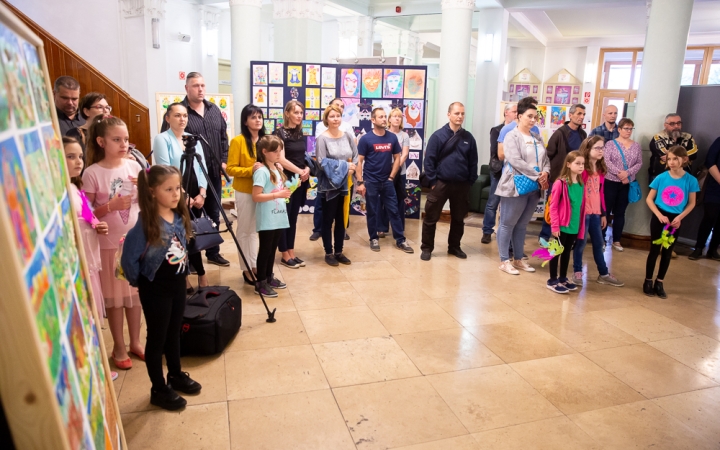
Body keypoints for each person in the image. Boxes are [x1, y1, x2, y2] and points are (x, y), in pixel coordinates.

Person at [121, 165, 202, 411]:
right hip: (155, 288)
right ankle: (158, 388)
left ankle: (175, 374)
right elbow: (129, 259)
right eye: (169, 189)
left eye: (177, 188)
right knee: (157, 338)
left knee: (174, 331)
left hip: (177, 284)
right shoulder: (146, 223)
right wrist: (142, 282)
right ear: (153, 192)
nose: (176, 193)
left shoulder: (178, 216)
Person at [82, 116, 143, 370]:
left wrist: (145, 190)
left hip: (135, 241)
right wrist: (110, 206)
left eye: (126, 139)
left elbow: (142, 202)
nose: (124, 144)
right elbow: (85, 212)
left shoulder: (134, 167)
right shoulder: (92, 172)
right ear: (101, 141)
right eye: (117, 139)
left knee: (136, 296)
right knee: (116, 300)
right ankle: (118, 346)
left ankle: (136, 341)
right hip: (109, 246)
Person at [152, 102, 209, 292]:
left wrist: (202, 193)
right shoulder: (162, 139)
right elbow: (164, 169)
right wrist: (182, 197)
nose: (182, 119)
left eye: (185, 115)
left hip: (195, 191)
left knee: (195, 235)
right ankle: (185, 276)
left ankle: (201, 273)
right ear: (168, 118)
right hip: (174, 194)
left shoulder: (193, 139)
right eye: (177, 115)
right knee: (181, 237)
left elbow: (202, 168)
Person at [495, 102, 550, 275]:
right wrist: (536, 175)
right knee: (507, 224)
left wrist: (546, 173)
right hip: (516, 185)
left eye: (535, 117)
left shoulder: (537, 137)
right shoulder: (512, 136)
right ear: (519, 116)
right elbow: (514, 160)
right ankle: (504, 260)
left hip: (535, 187)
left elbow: (546, 160)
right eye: (529, 116)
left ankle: (518, 259)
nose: (533, 120)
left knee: (522, 225)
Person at [181, 72, 230, 267]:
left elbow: (223, 138)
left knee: (213, 213)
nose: (200, 89)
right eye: (195, 85)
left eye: (202, 85)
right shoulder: (179, 112)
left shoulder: (214, 110)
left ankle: (213, 252)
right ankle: (192, 258)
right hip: (190, 176)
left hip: (214, 172)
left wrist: (224, 161)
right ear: (186, 88)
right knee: (191, 215)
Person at [420, 102, 478, 261]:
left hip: (462, 185)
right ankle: (426, 248)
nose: (460, 116)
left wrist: (470, 182)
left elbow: (473, 162)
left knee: (459, 219)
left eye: (462, 114)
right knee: (431, 217)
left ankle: (454, 247)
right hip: (441, 183)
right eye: (457, 113)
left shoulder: (468, 138)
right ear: (449, 115)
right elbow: (429, 161)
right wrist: (433, 182)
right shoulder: (438, 136)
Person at [644, 146, 700, 299]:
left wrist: (680, 218)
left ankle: (659, 282)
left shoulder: (691, 180)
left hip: (675, 219)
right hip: (660, 216)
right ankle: (648, 280)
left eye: (675, 158)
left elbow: (692, 203)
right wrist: (658, 215)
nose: (672, 162)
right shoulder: (661, 177)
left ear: (684, 159)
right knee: (654, 249)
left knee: (667, 252)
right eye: (669, 159)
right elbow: (649, 199)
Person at [356, 108, 414, 254]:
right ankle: (373, 238)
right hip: (371, 181)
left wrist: (391, 177)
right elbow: (359, 162)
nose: (383, 119)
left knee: (394, 210)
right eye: (380, 117)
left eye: (384, 116)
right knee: (373, 211)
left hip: (387, 181)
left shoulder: (392, 138)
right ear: (373, 120)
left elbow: (397, 158)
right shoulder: (366, 139)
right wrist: (361, 182)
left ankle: (400, 240)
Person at [571, 137, 624, 287]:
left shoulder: (601, 169)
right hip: (583, 213)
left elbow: (600, 193)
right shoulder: (582, 169)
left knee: (599, 243)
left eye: (602, 148)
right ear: (588, 149)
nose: (601, 151)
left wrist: (603, 213)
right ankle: (577, 272)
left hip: (595, 212)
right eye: (597, 148)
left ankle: (604, 273)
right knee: (580, 244)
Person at [227, 105, 266, 284]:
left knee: (255, 231)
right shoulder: (238, 141)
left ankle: (254, 265)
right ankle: (246, 268)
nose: (258, 120)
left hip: (263, 191)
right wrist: (251, 170)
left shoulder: (265, 140)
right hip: (244, 191)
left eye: (260, 117)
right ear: (245, 121)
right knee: (244, 230)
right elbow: (230, 168)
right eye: (253, 117)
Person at [316, 104, 358, 266]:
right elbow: (321, 162)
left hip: (346, 183)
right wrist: (345, 167)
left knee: (342, 219)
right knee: (328, 219)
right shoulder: (322, 138)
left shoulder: (347, 135)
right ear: (326, 119)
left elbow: (354, 156)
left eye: (338, 116)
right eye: (332, 116)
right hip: (329, 185)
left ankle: (339, 251)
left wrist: (352, 167)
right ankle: (329, 252)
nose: (335, 119)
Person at [252, 136, 290, 298]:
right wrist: (278, 195)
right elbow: (256, 196)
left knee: (272, 249)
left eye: (280, 151)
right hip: (268, 217)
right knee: (265, 250)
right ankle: (260, 282)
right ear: (264, 152)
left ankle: (268, 277)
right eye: (275, 151)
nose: (278, 154)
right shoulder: (261, 171)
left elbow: (279, 189)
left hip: (278, 215)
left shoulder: (276, 168)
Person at [274, 100, 311, 269]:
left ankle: (291, 250)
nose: (299, 116)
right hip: (285, 181)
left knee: (294, 217)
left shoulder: (299, 133)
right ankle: (284, 254)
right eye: (295, 112)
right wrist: (299, 170)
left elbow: (302, 156)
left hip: (299, 180)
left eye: (301, 113)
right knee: (284, 217)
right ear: (287, 113)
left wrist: (307, 169)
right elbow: (280, 159)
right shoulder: (279, 133)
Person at [312, 97, 354, 241]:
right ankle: (320, 234)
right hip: (328, 180)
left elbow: (354, 152)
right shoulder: (322, 132)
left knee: (341, 213)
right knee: (325, 212)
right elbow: (322, 159)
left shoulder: (347, 130)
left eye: (341, 108)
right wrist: (344, 167)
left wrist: (351, 170)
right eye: (336, 107)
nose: (337, 116)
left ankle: (339, 245)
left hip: (346, 178)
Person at [543, 103, 587, 241]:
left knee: (571, 208)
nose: (581, 117)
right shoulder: (560, 133)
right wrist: (548, 173)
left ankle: (566, 238)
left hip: (574, 180)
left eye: (583, 114)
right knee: (552, 207)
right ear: (571, 115)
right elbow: (548, 155)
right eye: (579, 114)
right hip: (558, 178)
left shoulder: (582, 134)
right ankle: (544, 236)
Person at [546, 152, 585, 294]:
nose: (581, 166)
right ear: (568, 164)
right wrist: (555, 226)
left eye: (582, 163)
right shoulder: (560, 183)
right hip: (562, 225)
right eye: (577, 163)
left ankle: (563, 277)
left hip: (574, 225)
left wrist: (580, 227)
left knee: (567, 252)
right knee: (556, 252)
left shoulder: (581, 183)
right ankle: (552, 280)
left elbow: (580, 207)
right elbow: (554, 206)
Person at [604, 118, 642, 252]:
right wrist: (619, 173)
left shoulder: (636, 145)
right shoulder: (610, 144)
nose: (629, 131)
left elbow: (639, 163)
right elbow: (606, 161)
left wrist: (627, 174)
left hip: (627, 183)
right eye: (626, 128)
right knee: (606, 210)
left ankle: (617, 240)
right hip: (610, 181)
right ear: (619, 129)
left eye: (631, 128)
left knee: (620, 212)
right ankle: (601, 238)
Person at [482, 103, 517, 244]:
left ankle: (507, 234)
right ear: (506, 113)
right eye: (514, 111)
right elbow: (496, 152)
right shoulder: (497, 130)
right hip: (498, 170)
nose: (516, 114)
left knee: (510, 205)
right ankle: (487, 231)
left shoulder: (520, 131)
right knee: (493, 202)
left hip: (514, 172)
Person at [377, 108, 410, 237]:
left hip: (399, 173)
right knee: (383, 200)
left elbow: (405, 153)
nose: (397, 118)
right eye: (394, 116)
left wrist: (395, 168)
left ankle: (399, 227)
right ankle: (381, 228)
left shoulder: (404, 135)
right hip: (384, 172)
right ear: (389, 119)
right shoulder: (384, 134)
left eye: (399, 116)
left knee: (399, 200)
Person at [689, 136, 720, 261]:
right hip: (714, 188)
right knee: (709, 217)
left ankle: (713, 250)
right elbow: (710, 162)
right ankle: (698, 248)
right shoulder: (719, 141)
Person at [649, 113, 698, 181]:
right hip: (661, 177)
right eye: (672, 124)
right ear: (665, 125)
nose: (676, 126)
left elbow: (694, 154)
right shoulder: (658, 137)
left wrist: (671, 156)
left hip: (683, 177)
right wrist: (683, 156)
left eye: (679, 123)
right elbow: (662, 154)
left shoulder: (688, 137)